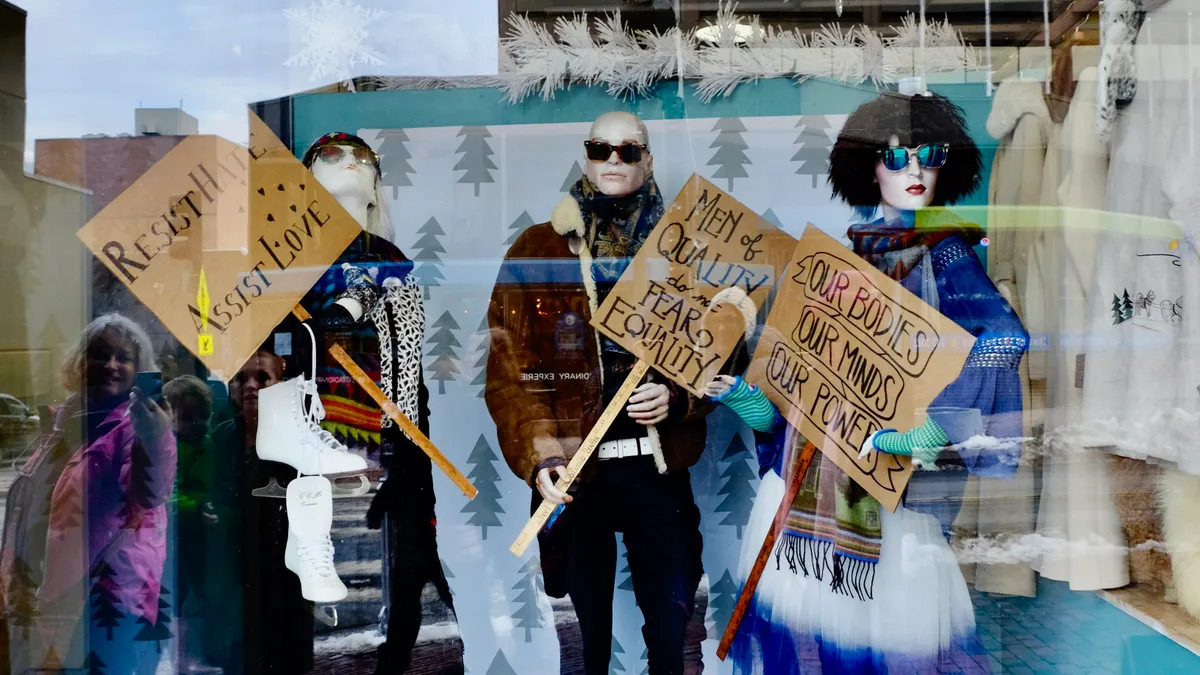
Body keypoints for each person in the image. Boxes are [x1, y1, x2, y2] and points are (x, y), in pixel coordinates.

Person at [715, 91, 1028, 674]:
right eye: (894, 157)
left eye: (929, 154)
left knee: (887, 646)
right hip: (807, 492)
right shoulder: (841, 258)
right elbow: (800, 389)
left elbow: (1005, 339)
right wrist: (748, 396)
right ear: (868, 167)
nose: (913, 170)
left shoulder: (947, 256)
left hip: (893, 500)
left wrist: (930, 430)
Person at [485, 112, 739, 675]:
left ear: (649, 159)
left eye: (630, 151)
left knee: (670, 626)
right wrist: (541, 456)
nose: (615, 162)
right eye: (603, 150)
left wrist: (679, 399)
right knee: (587, 634)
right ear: (586, 157)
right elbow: (511, 367)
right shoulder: (539, 248)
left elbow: (724, 345)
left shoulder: (684, 248)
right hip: (576, 471)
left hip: (656, 469)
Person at [296, 131, 455, 674]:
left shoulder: (389, 261)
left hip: (395, 422)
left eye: (361, 160)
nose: (348, 165)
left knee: (411, 545)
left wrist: (408, 431)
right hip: (315, 426)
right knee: (308, 549)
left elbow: (403, 335)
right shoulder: (293, 265)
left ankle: (398, 655)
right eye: (332, 159)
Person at [0, 313, 176, 674]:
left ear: (139, 369)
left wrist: (155, 437)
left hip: (104, 607)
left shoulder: (134, 427)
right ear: (80, 362)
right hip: (46, 601)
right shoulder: (64, 422)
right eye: (100, 354)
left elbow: (151, 489)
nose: (111, 365)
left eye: (123, 358)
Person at [161, 375, 219, 674]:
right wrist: (196, 508)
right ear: (170, 418)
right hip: (179, 535)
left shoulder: (210, 444)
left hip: (203, 532)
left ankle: (196, 653)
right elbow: (167, 494)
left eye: (202, 417)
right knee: (180, 598)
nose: (196, 424)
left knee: (203, 594)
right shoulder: (168, 448)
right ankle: (180, 658)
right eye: (187, 418)